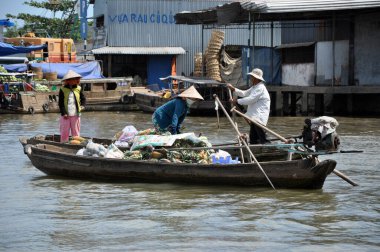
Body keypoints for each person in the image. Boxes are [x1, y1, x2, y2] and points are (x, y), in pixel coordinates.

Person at [227, 68, 271, 144]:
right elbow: (244, 93)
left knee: (262, 137)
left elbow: (251, 99)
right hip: (254, 116)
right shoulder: (254, 87)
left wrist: (236, 101)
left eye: (252, 77)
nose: (251, 79)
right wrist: (233, 89)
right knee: (253, 138)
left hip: (259, 116)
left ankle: (268, 149)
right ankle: (255, 148)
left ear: (256, 78)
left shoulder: (260, 88)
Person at [58, 70, 86, 142]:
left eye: (78, 79)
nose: (78, 80)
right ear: (69, 81)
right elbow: (60, 103)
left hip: (75, 114)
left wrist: (82, 105)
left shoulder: (79, 88)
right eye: (75, 79)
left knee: (76, 132)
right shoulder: (63, 89)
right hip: (65, 115)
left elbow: (83, 98)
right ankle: (64, 144)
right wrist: (64, 113)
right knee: (64, 131)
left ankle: (75, 145)